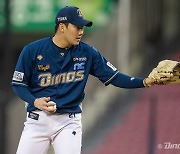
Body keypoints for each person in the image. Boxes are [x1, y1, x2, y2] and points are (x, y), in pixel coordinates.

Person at [12, 6, 154, 154]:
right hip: (37, 120)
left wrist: (144, 82)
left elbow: (115, 77)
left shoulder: (87, 53)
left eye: (82, 28)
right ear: (62, 27)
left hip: (68, 122)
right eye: (77, 27)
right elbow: (18, 85)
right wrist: (35, 101)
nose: (81, 32)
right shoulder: (32, 50)